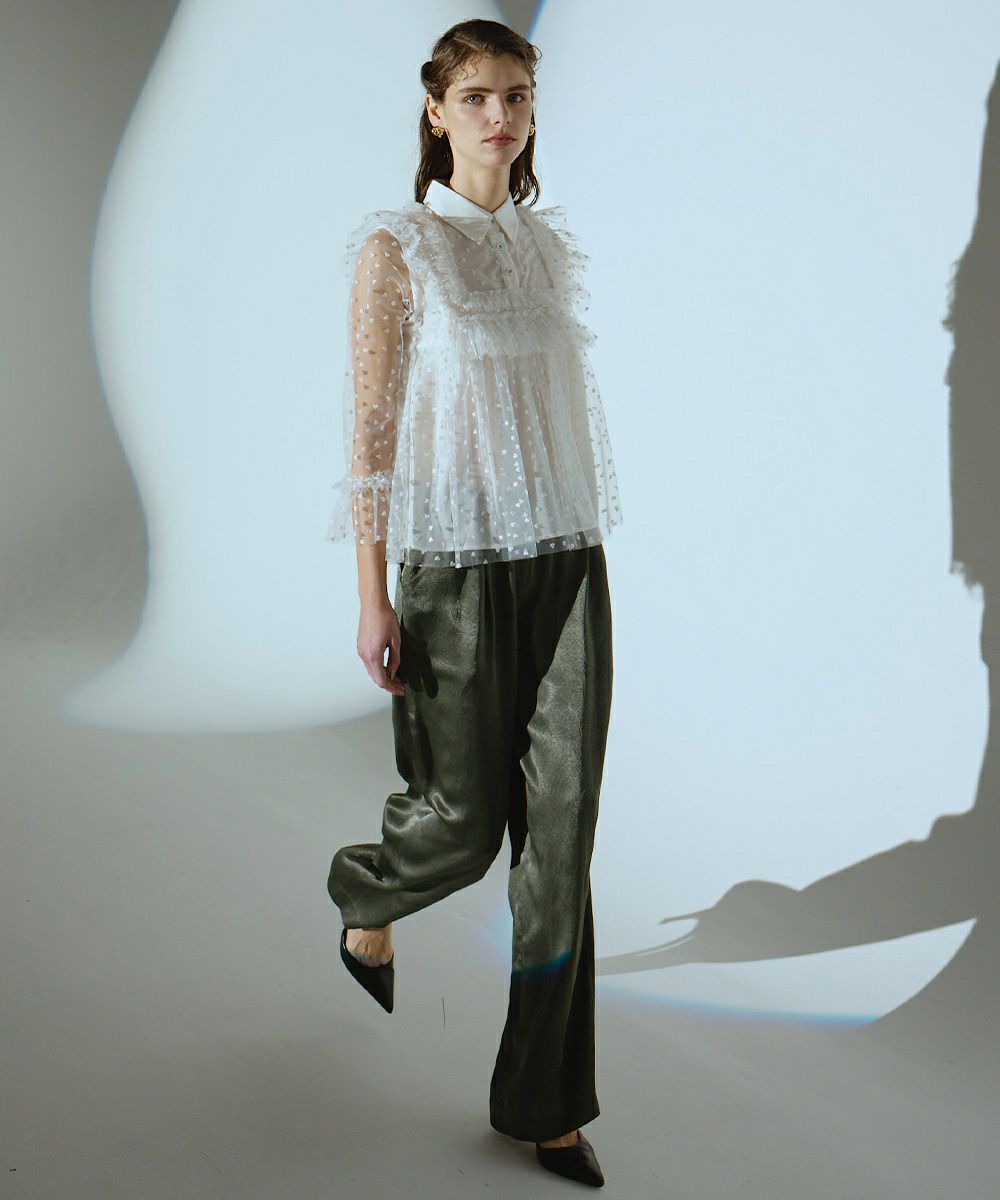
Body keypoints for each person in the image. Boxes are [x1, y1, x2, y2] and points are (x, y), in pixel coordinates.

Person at [324, 18, 623, 1188]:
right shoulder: (398, 247)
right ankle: (367, 893)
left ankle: (544, 1105)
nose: (500, 116)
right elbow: (370, 435)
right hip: (451, 568)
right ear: (436, 111)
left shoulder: (544, 247)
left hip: (566, 561)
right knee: (460, 822)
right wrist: (373, 598)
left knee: (561, 839)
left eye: (517, 95)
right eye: (477, 97)